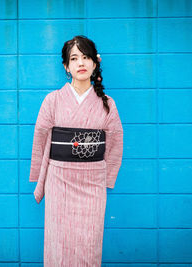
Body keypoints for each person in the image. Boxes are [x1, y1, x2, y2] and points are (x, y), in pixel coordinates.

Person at [29, 35, 124, 266]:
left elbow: (114, 143)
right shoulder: (52, 101)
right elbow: (41, 139)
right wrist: (38, 176)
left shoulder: (107, 104)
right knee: (58, 243)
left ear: (94, 63)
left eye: (86, 57)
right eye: (74, 58)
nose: (80, 63)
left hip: (92, 184)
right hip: (59, 181)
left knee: (89, 244)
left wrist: (106, 177)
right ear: (66, 66)